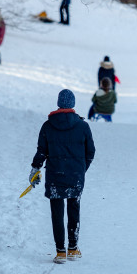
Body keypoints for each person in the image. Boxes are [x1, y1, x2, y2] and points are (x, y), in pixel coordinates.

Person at [29, 89, 96, 264]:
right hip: (75, 175)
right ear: (73, 104)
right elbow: (91, 152)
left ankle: (60, 252)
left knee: (56, 213)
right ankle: (73, 249)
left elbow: (41, 152)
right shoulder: (83, 126)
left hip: (55, 175)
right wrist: (82, 169)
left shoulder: (48, 126)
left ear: (58, 103)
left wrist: (35, 169)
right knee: (74, 209)